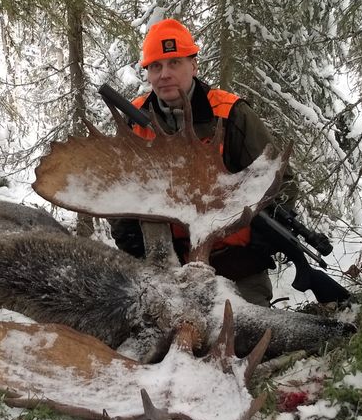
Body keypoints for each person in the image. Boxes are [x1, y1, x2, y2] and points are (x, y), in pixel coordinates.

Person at [108, 18, 296, 307]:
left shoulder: (231, 113)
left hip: (235, 265)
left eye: (174, 63)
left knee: (243, 340)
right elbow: (118, 195)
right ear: (147, 73)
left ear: (193, 66)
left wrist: (258, 246)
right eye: (156, 66)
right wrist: (139, 255)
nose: (165, 74)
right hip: (166, 270)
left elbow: (279, 182)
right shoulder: (134, 119)